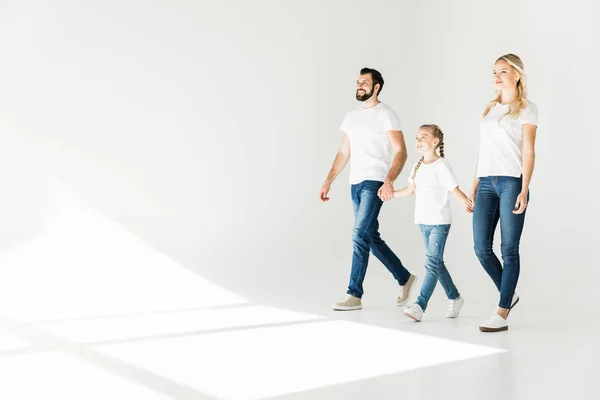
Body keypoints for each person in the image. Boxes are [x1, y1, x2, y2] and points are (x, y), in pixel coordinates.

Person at [320, 68, 417, 311]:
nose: (359, 85)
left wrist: (389, 180)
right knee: (370, 237)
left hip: (375, 181)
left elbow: (401, 151)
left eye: (364, 82)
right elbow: (344, 153)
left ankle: (354, 294)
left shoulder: (387, 114)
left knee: (359, 235)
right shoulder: (351, 117)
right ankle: (404, 277)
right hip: (355, 182)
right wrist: (328, 180)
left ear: (377, 87)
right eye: (357, 82)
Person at [469, 54, 538, 332]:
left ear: (517, 75)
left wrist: (525, 188)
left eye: (503, 71)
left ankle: (501, 310)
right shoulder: (489, 109)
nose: (496, 76)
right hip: (486, 182)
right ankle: (509, 293)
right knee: (481, 248)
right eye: (494, 72)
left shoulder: (527, 109)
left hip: (512, 182)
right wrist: (474, 184)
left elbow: (529, 151)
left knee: (509, 249)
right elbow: (482, 151)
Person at [394, 125, 472, 321]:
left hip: (439, 222)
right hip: (422, 221)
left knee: (431, 264)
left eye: (424, 137)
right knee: (436, 263)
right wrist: (391, 194)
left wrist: (467, 202)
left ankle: (419, 305)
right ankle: (454, 297)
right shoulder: (417, 165)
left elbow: (454, 189)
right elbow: (411, 190)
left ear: (435, 142)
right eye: (417, 137)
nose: (418, 140)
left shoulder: (441, 165)